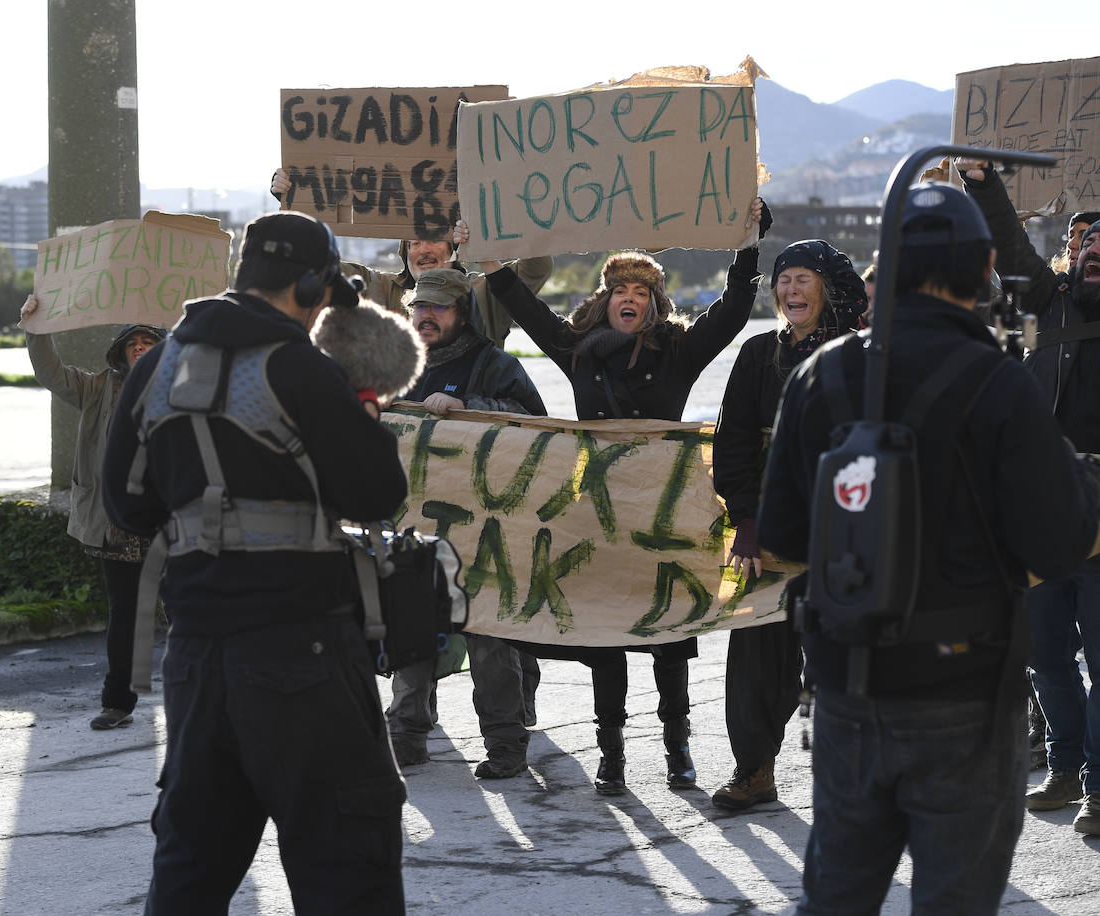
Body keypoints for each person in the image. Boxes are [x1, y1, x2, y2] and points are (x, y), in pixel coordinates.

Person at [758, 181, 1100, 911]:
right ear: (982, 270)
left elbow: (784, 533)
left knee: (838, 894)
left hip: (849, 680)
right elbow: (1061, 543)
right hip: (966, 693)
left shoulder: (819, 376)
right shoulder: (1000, 383)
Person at [101, 211, 409, 913]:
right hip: (304, 653)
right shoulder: (300, 366)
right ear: (309, 283)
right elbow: (379, 493)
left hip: (196, 657)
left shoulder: (156, 365)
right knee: (345, 867)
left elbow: (126, 504)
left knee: (191, 868)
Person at [469, 196, 771, 795]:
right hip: (598, 516)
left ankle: (677, 749)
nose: (628, 298)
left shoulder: (679, 352)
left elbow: (736, 307)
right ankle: (612, 756)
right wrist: (487, 255)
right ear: (604, 301)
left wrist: (747, 241)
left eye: (641, 291)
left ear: (655, 305)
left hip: (665, 516)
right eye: (618, 290)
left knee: (668, 636)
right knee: (605, 636)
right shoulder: (577, 350)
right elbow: (524, 307)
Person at [961, 159, 1100, 836]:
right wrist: (984, 183)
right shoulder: (1048, 300)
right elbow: (1011, 249)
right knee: (1046, 653)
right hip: (1046, 504)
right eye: (1082, 241)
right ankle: (1067, 766)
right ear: (1067, 255)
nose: (1094, 247)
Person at [711, 240, 866, 809]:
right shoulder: (757, 354)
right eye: (784, 281)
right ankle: (754, 770)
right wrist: (746, 523)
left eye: (803, 279)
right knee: (755, 655)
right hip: (768, 537)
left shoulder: (861, 354)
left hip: (842, 534)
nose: (790, 290)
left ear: (827, 288)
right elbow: (732, 448)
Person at [386, 266, 546, 779]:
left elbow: (537, 428)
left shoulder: (494, 364)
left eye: (438, 308)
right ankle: (406, 734)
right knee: (409, 626)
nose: (426, 317)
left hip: (484, 530)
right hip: (413, 526)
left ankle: (505, 744)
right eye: (419, 307)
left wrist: (470, 407)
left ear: (463, 313)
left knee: (489, 635)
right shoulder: (394, 364)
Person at [19, 301, 163, 730]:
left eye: (150, 342)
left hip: (172, 524)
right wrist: (35, 327)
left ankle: (198, 697)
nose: (140, 348)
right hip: (116, 523)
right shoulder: (97, 388)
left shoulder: (183, 386)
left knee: (189, 614)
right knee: (125, 616)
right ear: (120, 352)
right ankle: (118, 702)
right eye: (133, 343)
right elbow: (50, 373)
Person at [270, 167, 552, 349]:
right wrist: (294, 203)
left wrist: (514, 201)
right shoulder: (377, 288)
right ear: (404, 253)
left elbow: (537, 266)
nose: (423, 250)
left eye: (434, 240)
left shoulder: (486, 291)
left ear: (454, 246)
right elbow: (313, 265)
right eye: (415, 243)